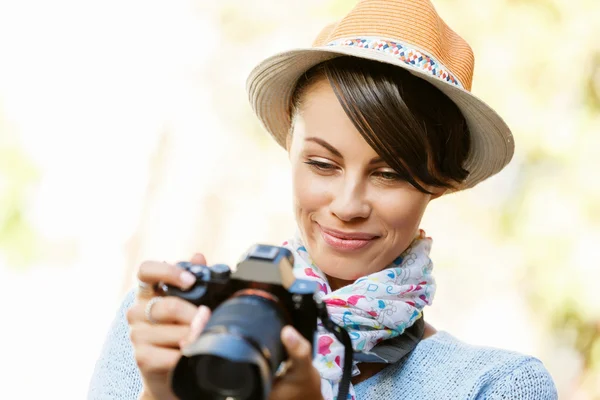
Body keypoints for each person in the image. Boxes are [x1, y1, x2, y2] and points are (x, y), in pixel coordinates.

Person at [88, 0, 559, 399]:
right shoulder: (164, 326)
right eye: (322, 164)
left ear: (435, 183)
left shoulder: (494, 385)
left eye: (390, 173)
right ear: (289, 153)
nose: (348, 205)